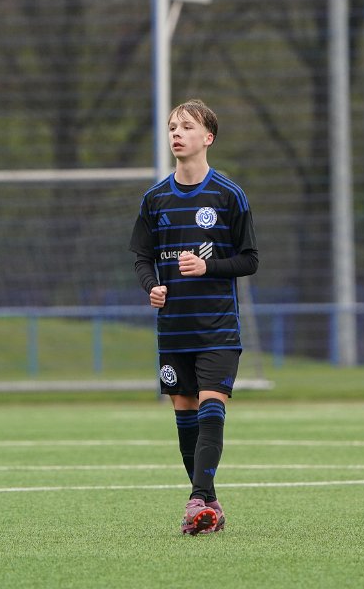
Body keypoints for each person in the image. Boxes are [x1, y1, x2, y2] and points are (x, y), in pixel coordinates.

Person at [129, 99, 258, 535]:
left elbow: (250, 259)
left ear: (208, 137)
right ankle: (209, 503)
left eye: (186, 126)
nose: (176, 133)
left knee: (210, 407)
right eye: (172, 127)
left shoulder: (229, 195)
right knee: (184, 415)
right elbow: (142, 257)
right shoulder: (155, 199)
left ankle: (197, 499)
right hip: (174, 329)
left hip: (218, 328)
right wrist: (152, 286)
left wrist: (208, 266)